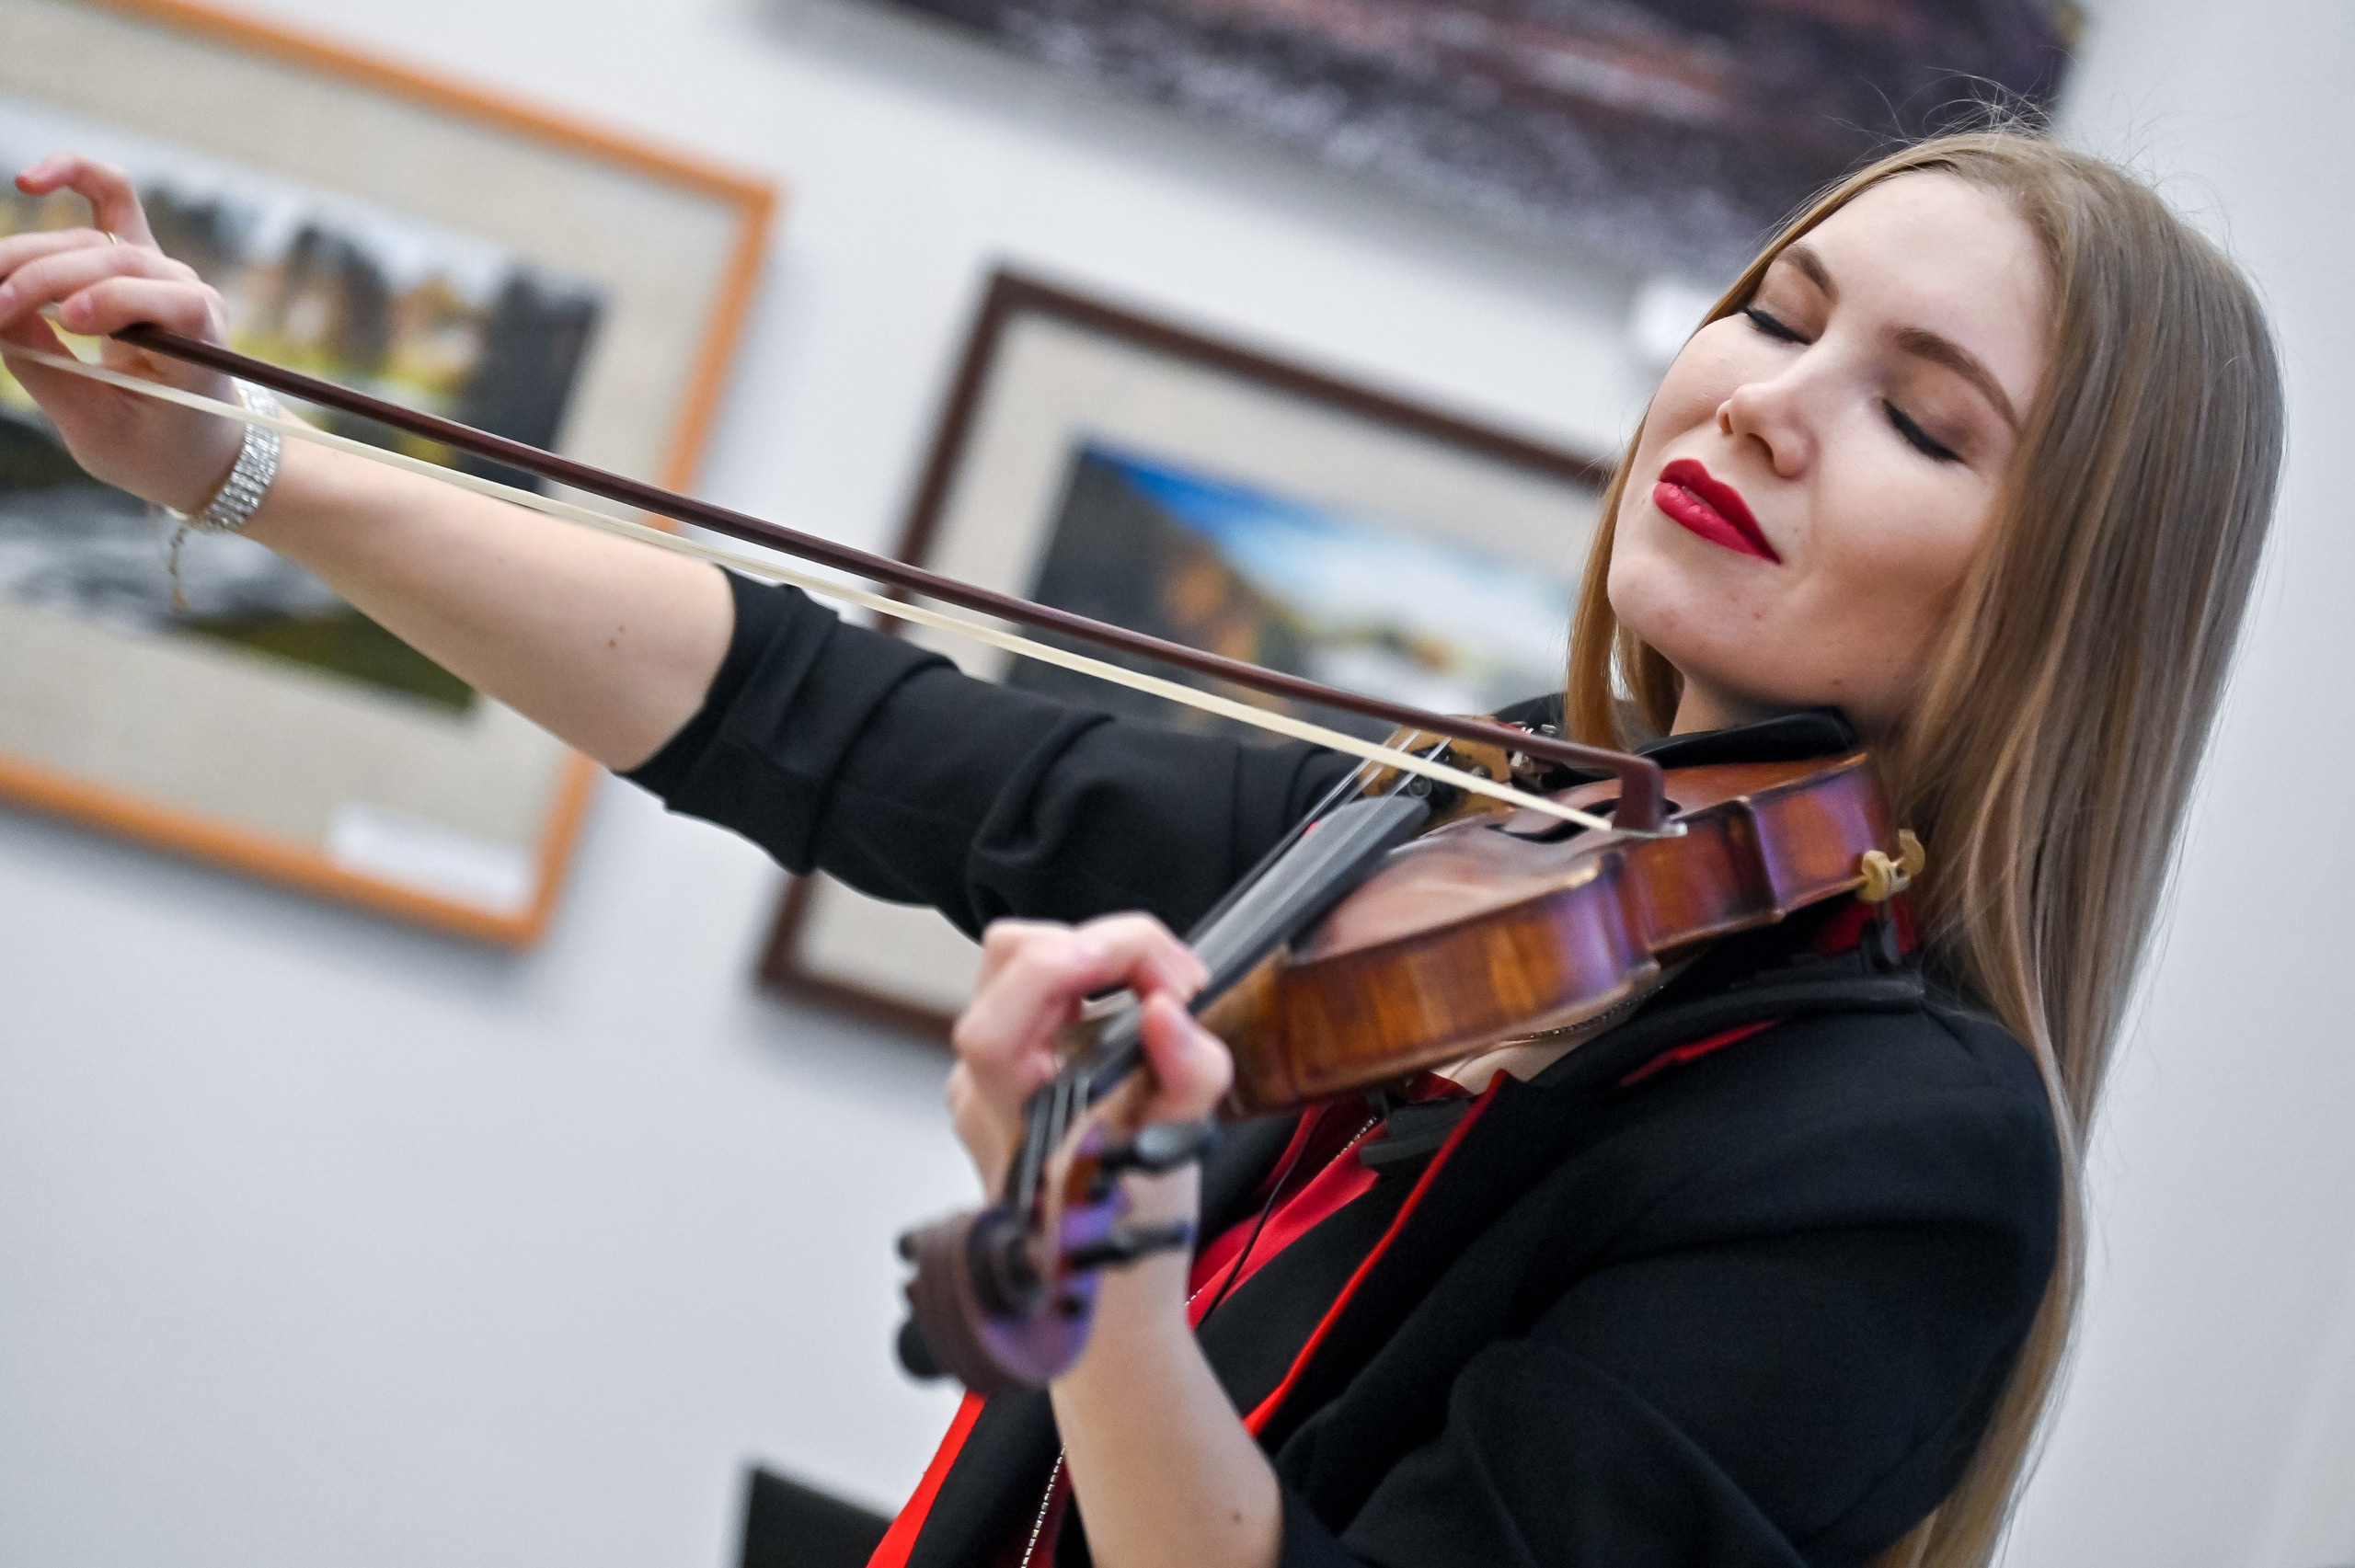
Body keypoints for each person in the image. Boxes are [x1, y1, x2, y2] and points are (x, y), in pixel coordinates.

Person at [0, 129, 2282, 1568]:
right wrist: (231, 463)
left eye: (1913, 413)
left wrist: (1095, 1292)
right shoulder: (1465, 815)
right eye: (1770, 311)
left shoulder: (1899, 1153)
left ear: (2057, 589)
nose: (1764, 397)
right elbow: (822, 716)